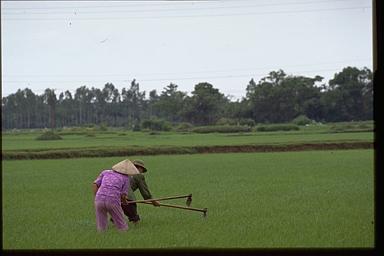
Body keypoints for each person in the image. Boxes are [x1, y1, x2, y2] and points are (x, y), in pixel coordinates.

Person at [92, 159, 139, 232]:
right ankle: (124, 237)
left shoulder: (105, 172)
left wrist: (97, 197)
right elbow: (123, 195)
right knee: (121, 225)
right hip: (112, 201)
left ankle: (101, 237)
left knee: (101, 226)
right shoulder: (125, 178)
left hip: (99, 199)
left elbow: (95, 184)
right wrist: (124, 202)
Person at [121, 159, 160, 224]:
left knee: (116, 215)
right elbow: (145, 193)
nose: (142, 172)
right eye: (142, 170)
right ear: (139, 168)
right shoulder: (138, 175)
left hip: (114, 196)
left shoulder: (124, 173)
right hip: (126, 197)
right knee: (135, 218)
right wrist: (154, 202)